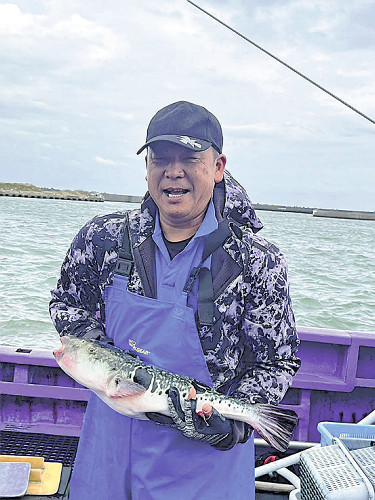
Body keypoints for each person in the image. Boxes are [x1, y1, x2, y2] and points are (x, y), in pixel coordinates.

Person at [50, 100, 300, 500]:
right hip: (109, 452)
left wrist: (233, 424)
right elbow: (67, 304)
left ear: (218, 167)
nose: (173, 171)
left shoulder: (255, 261)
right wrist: (105, 360)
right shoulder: (104, 238)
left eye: (189, 158)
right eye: (160, 158)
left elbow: (275, 360)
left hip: (201, 469)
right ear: (147, 167)